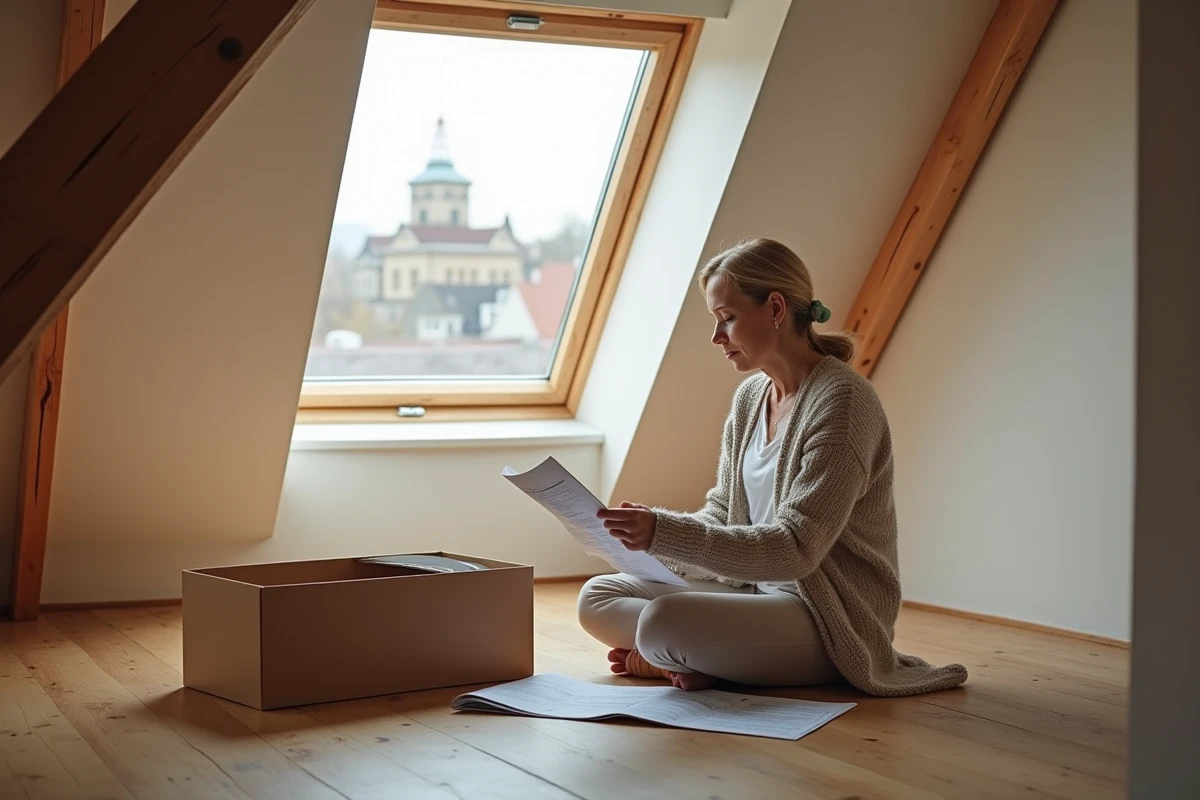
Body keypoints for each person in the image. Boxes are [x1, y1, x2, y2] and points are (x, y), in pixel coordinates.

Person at [576, 238, 968, 696]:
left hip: (827, 617)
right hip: (754, 593)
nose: (716, 337)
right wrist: (635, 542)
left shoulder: (843, 403)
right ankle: (692, 660)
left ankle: (680, 657)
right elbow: (723, 515)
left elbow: (795, 550)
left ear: (776, 309)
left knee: (663, 622)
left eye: (727, 318)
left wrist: (661, 531)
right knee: (598, 596)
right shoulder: (751, 398)